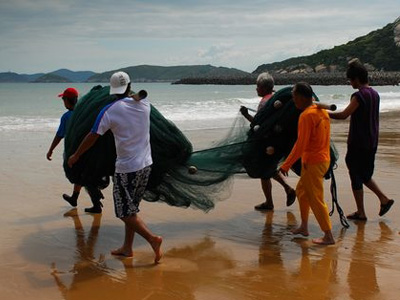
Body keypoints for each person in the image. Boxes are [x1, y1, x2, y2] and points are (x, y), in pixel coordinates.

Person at [68, 71, 162, 262]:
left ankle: (153, 239)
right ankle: (127, 248)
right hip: (146, 165)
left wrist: (76, 155)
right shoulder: (145, 104)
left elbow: (93, 136)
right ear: (129, 86)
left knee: (124, 212)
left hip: (127, 168)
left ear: (113, 90)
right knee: (132, 209)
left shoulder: (110, 111)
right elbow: (137, 99)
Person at [329, 59, 394, 221]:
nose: (350, 83)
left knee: (356, 174)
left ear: (356, 79)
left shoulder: (359, 96)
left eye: (350, 80)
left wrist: (323, 113)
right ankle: (383, 199)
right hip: (372, 141)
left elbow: (344, 115)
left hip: (358, 141)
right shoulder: (374, 94)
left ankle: (361, 212)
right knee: (364, 174)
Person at [279, 82, 335, 245]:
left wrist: (286, 164)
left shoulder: (306, 115)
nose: (293, 100)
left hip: (313, 163)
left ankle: (328, 235)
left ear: (303, 97)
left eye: (294, 97)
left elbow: (300, 144)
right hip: (323, 160)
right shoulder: (322, 111)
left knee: (316, 198)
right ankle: (304, 226)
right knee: (302, 192)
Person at [240, 72, 296, 211]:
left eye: (257, 86)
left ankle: (269, 202)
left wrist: (246, 115)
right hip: (278, 143)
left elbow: (259, 125)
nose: (256, 89)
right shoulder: (277, 98)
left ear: (264, 88)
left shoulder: (265, 102)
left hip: (266, 143)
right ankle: (287, 189)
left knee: (264, 173)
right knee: (270, 169)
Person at [47, 87, 82, 207]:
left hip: (73, 151)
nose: (63, 102)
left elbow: (59, 135)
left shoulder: (66, 117)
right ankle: (78, 198)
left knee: (78, 174)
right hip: (86, 148)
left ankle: (77, 198)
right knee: (83, 173)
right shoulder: (84, 112)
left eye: (63, 99)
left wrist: (51, 150)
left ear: (67, 100)